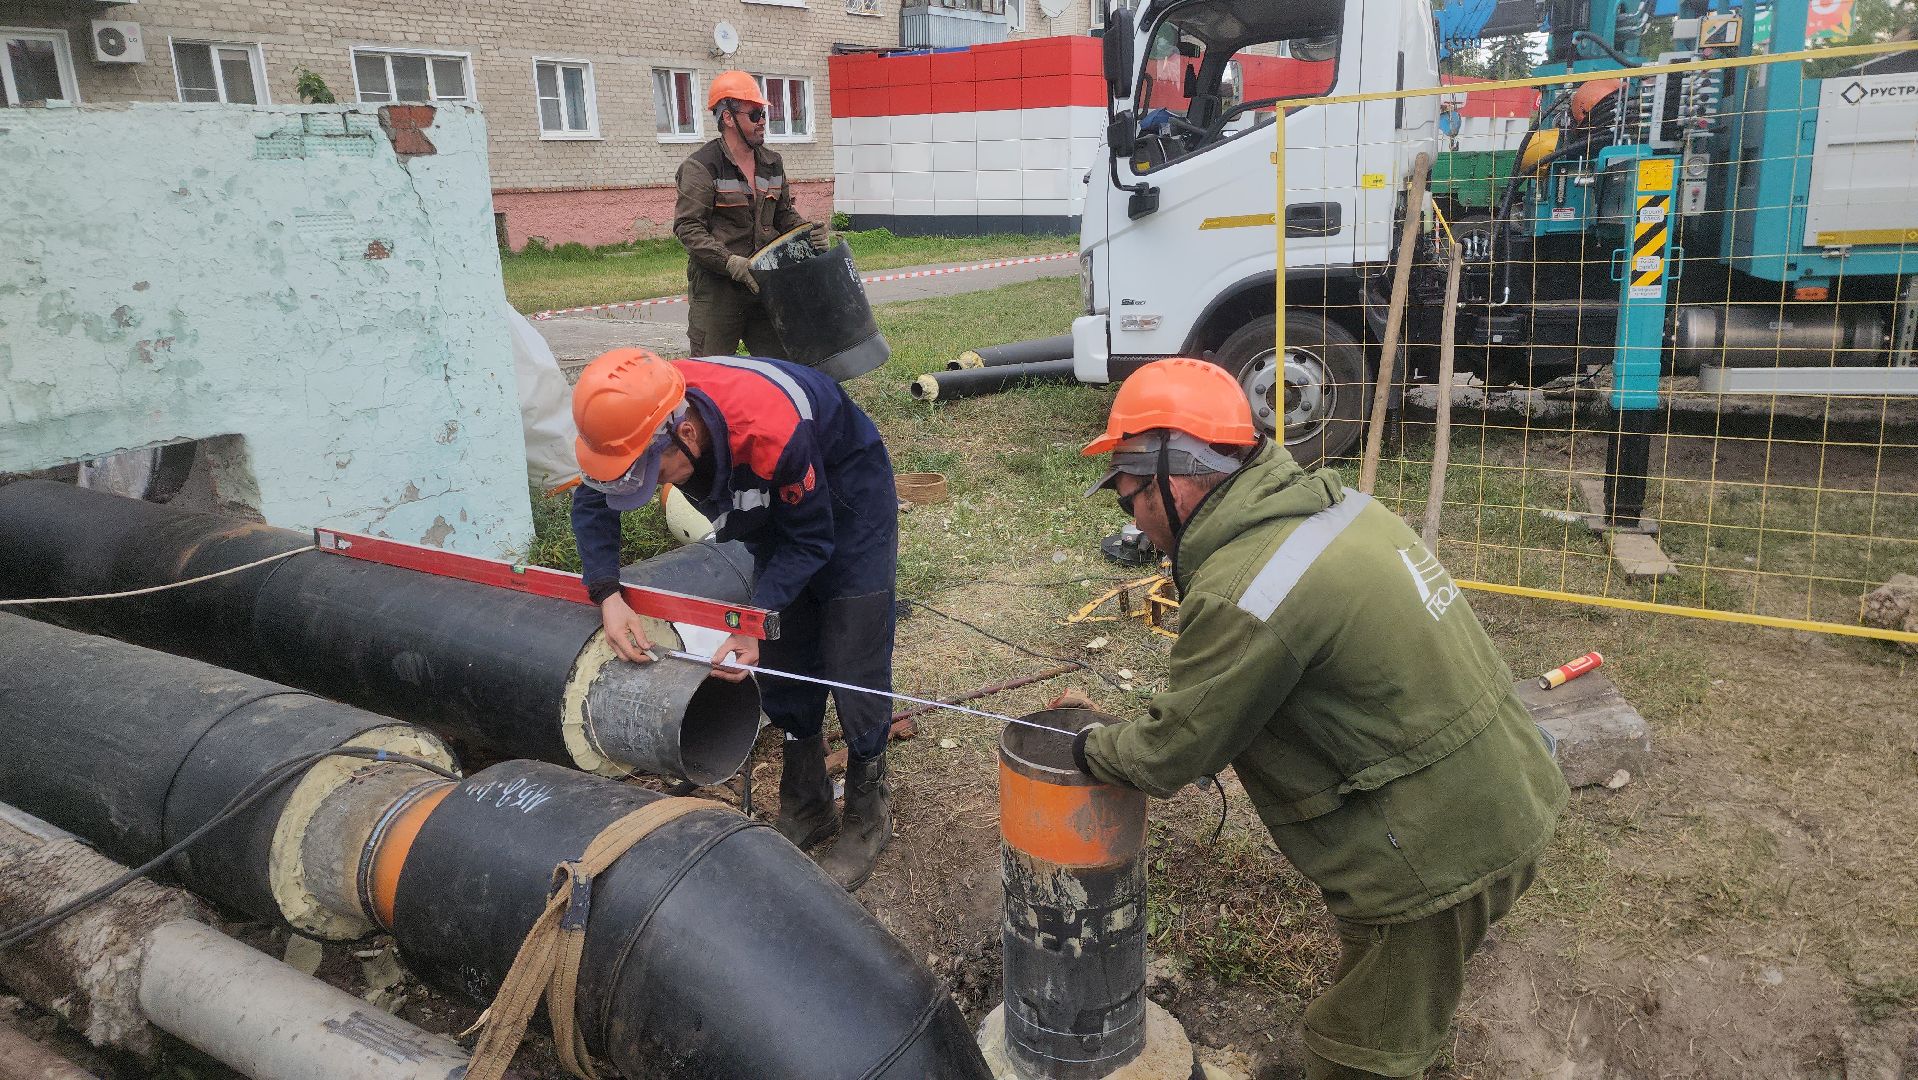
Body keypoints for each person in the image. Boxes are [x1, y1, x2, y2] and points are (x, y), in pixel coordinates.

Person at [1058, 358, 1567, 1079]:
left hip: (1442, 856)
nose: (1134, 522)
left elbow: (1172, 753)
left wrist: (1090, 748)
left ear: (1172, 476)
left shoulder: (1248, 590)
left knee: (1356, 1051)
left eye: (1125, 497)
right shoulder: (1335, 508)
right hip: (1512, 779)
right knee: (1395, 1008)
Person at [568, 347, 900, 889]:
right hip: (771, 494)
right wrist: (607, 593)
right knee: (783, 642)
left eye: (654, 477)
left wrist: (747, 621)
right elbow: (595, 500)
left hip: (844, 490)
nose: (650, 490)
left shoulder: (773, 431)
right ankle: (808, 798)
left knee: (849, 642)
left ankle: (868, 805)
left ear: (687, 437)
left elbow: (810, 538)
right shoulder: (627, 424)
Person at [672, 70, 822, 360]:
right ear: (728, 117)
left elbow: (782, 214)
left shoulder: (771, 162)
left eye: (764, 113)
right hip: (718, 290)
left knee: (782, 368)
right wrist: (729, 262)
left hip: (766, 284)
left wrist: (806, 232)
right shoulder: (701, 167)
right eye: (755, 114)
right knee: (711, 373)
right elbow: (688, 227)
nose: (763, 121)